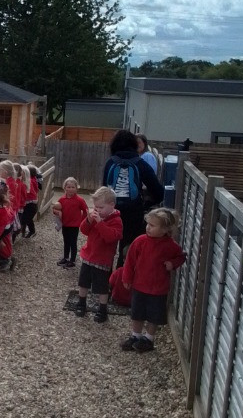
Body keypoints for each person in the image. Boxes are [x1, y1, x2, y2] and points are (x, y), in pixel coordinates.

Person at [120, 208, 187, 353]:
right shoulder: (140, 241)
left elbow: (181, 256)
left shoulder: (170, 245)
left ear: (164, 230)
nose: (148, 227)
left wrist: (172, 264)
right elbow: (130, 261)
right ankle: (136, 335)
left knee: (154, 315)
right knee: (137, 313)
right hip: (139, 285)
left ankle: (148, 339)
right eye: (148, 224)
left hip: (158, 288)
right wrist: (126, 277)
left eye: (152, 225)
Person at [103, 129, 163, 266]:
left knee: (107, 247)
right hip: (133, 213)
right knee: (127, 250)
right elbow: (158, 192)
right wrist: (147, 204)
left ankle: (103, 279)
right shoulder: (140, 163)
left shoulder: (110, 162)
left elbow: (104, 189)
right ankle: (121, 281)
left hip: (110, 211)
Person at [75, 186, 123, 323]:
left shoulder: (116, 221)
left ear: (112, 205)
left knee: (102, 287)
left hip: (102, 260)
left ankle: (102, 309)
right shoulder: (95, 216)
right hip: (88, 256)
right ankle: (81, 303)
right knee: (83, 282)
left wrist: (100, 223)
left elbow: (110, 238)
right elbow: (84, 230)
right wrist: (89, 220)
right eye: (95, 207)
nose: (97, 210)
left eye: (100, 207)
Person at [52, 176, 88, 268]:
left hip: (75, 225)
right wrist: (56, 212)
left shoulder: (79, 200)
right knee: (66, 241)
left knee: (73, 242)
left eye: (73, 187)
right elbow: (55, 209)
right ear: (65, 188)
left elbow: (86, 210)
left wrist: (82, 221)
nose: (71, 189)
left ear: (76, 188)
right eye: (68, 187)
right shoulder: (62, 199)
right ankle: (66, 257)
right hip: (65, 224)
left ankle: (72, 260)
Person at [21, 164, 41, 238]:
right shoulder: (34, 179)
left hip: (30, 202)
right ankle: (28, 231)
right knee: (28, 218)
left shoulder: (30, 181)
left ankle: (30, 231)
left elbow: (28, 191)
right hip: (31, 201)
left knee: (26, 218)